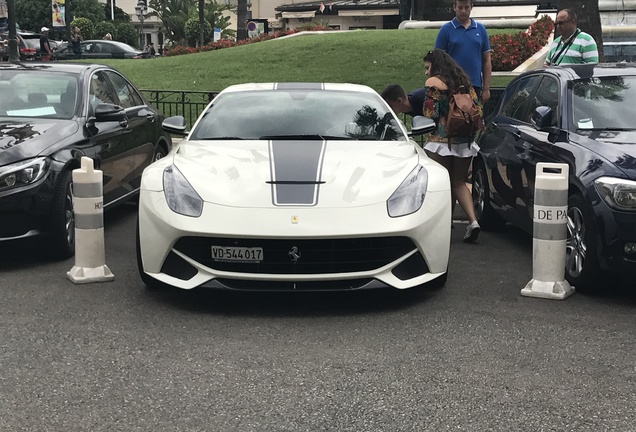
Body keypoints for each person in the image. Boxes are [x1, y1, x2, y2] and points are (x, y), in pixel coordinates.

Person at [422, 49, 482, 243]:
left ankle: (442, 225)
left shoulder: (434, 83)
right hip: (465, 140)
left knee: (442, 182)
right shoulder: (464, 80)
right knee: (459, 182)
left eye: (427, 68)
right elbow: (478, 107)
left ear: (435, 66)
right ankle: (473, 221)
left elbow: (431, 112)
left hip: (441, 140)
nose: (426, 73)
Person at [434, 0, 492, 103]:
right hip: (452, 85)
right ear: (454, 7)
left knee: (474, 116)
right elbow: (437, 60)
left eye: (466, 7)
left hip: (474, 85)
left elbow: (486, 59)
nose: (463, 11)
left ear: (471, 7)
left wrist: (486, 88)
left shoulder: (480, 30)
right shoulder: (445, 30)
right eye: (460, 7)